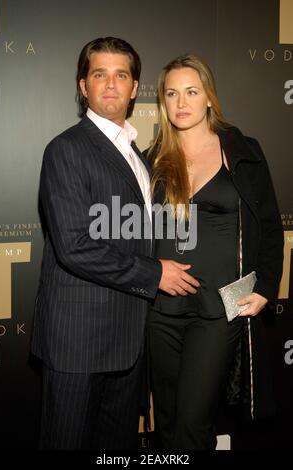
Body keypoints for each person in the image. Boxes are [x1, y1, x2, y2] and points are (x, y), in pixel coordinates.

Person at [31, 38, 199, 450]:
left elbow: (135, 234)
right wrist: (155, 272)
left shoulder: (139, 155)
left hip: (129, 344)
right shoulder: (66, 149)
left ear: (134, 87)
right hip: (78, 343)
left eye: (120, 75)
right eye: (99, 74)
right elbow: (74, 246)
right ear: (84, 87)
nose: (110, 84)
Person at [147, 53, 284, 450]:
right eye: (172, 93)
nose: (181, 102)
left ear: (209, 96)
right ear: (163, 101)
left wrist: (266, 286)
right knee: (168, 423)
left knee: (192, 426)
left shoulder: (242, 150)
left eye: (191, 91)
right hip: (161, 310)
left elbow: (271, 225)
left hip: (220, 308)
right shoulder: (153, 157)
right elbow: (135, 230)